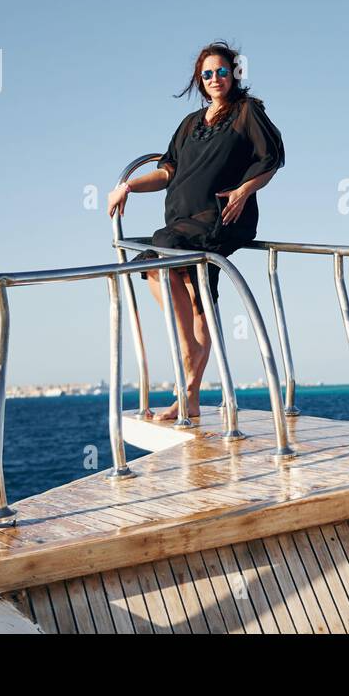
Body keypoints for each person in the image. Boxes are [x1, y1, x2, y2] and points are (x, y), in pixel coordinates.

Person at [107, 41, 284, 420]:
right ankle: (189, 395)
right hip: (183, 219)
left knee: (162, 252)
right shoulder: (188, 125)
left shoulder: (246, 112)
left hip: (222, 215)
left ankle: (188, 350)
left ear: (234, 74)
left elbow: (272, 157)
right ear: (198, 81)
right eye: (207, 74)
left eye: (222, 71)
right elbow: (168, 171)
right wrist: (129, 186)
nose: (215, 79)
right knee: (196, 294)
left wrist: (243, 189)